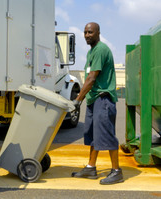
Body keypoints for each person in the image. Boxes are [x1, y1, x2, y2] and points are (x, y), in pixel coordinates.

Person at [71, 22, 124, 185]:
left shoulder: (100, 50)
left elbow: (91, 78)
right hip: (94, 99)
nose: (87, 35)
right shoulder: (91, 52)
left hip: (103, 99)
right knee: (93, 134)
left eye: (90, 32)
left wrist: (78, 100)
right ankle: (91, 167)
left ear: (98, 33)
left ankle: (116, 171)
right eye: (85, 32)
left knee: (106, 134)